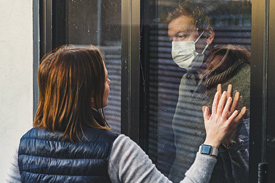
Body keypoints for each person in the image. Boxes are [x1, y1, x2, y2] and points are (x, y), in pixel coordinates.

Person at [8, 45, 242, 183]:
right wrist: (211, 142)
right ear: (89, 94)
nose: (110, 81)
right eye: (105, 77)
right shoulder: (115, 149)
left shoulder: (23, 146)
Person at [167, 2, 250, 183]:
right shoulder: (186, 81)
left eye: (182, 36)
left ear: (208, 35)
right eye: (172, 39)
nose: (175, 46)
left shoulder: (242, 80)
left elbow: (250, 159)